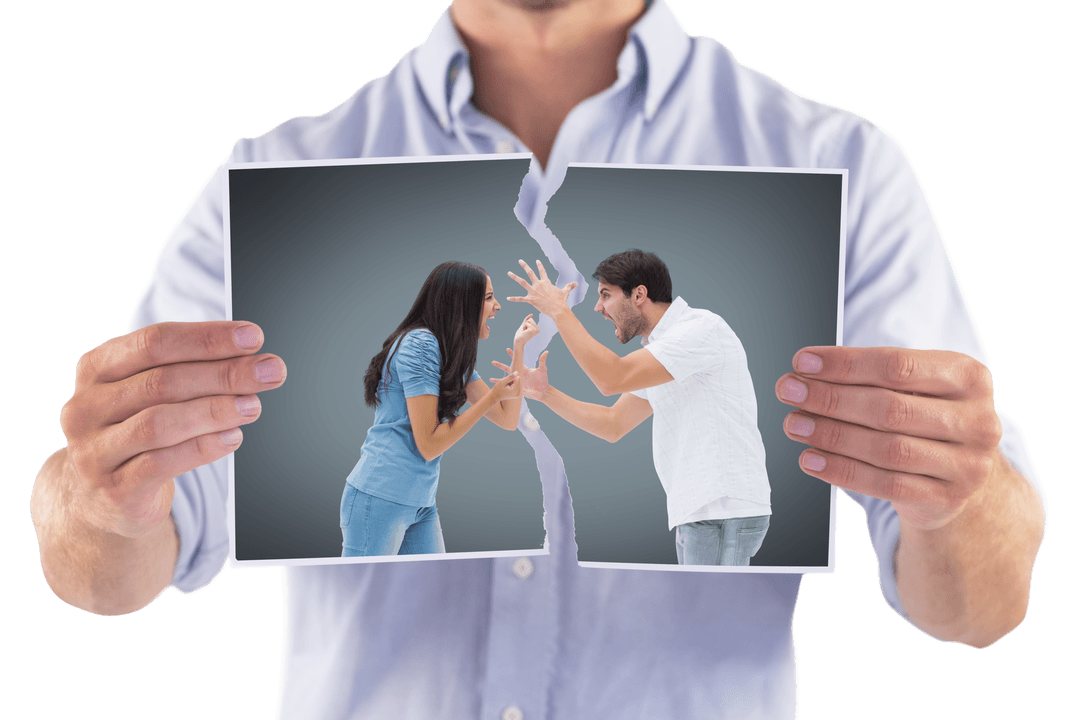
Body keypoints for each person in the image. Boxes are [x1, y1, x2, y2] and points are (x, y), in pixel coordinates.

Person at [29, 1, 1048, 717]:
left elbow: (977, 607)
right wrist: (95, 498)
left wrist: (958, 495)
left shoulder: (836, 181)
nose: (599, 313)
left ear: (640, 297)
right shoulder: (273, 182)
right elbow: (122, 568)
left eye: (605, 302)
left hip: (671, 514)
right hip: (397, 497)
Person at [499, 250, 772, 566]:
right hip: (701, 511)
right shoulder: (663, 352)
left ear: (639, 294)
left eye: (606, 295)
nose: (598, 307)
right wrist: (546, 394)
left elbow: (612, 378)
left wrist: (559, 311)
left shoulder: (699, 331)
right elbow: (612, 423)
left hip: (723, 509)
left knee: (710, 614)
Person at [342, 261, 537, 557]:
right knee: (361, 599)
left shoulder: (449, 352)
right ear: (461, 303)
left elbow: (507, 418)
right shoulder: (420, 345)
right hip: (380, 496)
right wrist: (491, 396)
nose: (496, 306)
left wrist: (519, 348)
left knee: (435, 595)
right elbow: (430, 444)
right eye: (487, 298)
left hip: (421, 502)